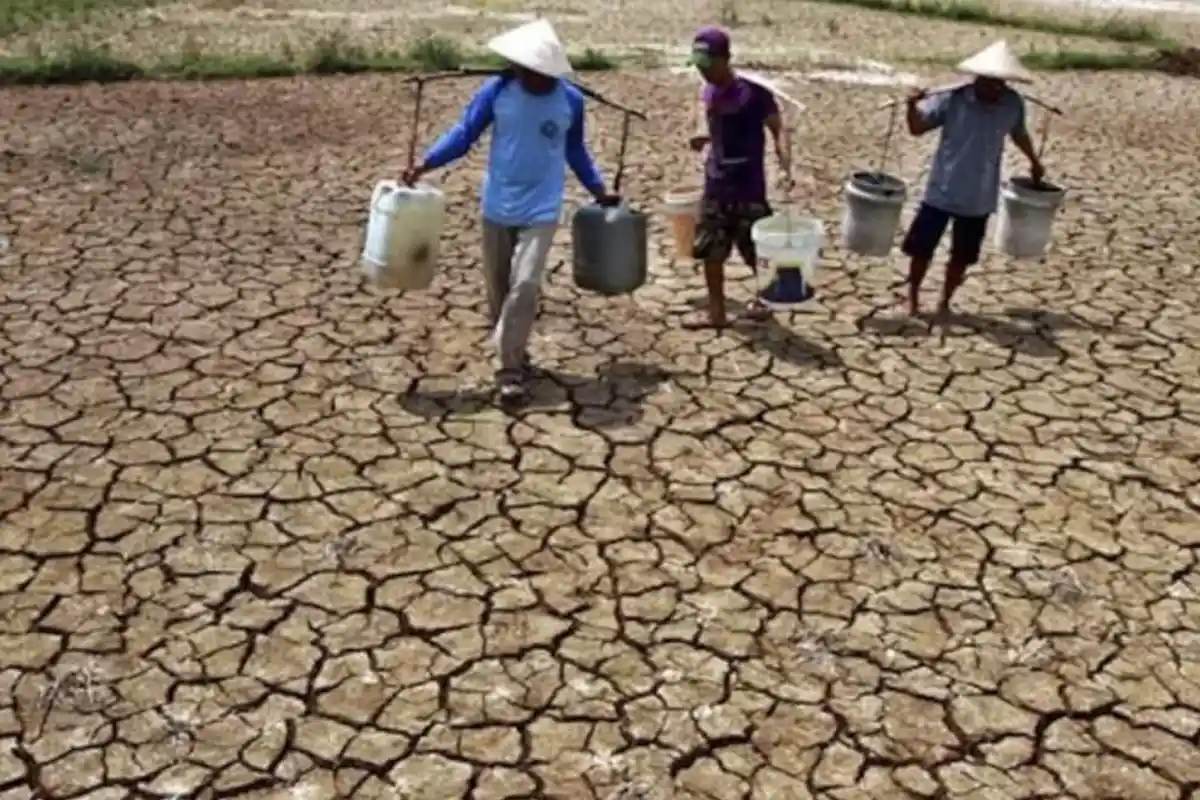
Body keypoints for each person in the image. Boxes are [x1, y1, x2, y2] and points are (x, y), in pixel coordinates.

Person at [402, 19, 619, 404]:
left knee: (526, 284)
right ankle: (516, 352)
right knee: (499, 289)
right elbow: (465, 133)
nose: (520, 70)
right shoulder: (498, 90)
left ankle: (508, 370)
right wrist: (426, 163)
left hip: (543, 206)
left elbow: (575, 151)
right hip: (497, 203)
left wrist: (599, 189)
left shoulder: (569, 100)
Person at [901, 40, 1046, 320]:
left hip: (978, 196)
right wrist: (911, 107)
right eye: (987, 82)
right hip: (941, 190)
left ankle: (945, 301)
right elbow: (917, 128)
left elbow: (1019, 133)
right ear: (976, 78)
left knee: (961, 257)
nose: (993, 88)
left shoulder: (1012, 104)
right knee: (921, 250)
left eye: (999, 83)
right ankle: (914, 299)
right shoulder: (953, 98)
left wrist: (1034, 161)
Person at [687, 26, 797, 329]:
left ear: (726, 58)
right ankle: (717, 314)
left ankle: (765, 301)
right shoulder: (707, 91)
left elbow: (779, 129)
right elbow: (705, 121)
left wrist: (785, 163)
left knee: (758, 253)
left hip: (749, 188)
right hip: (716, 185)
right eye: (699, 67)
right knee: (711, 252)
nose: (704, 73)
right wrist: (701, 138)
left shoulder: (755, 93)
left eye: (708, 66)